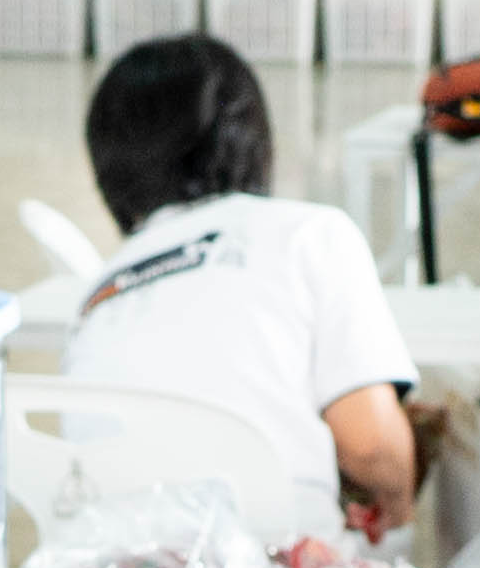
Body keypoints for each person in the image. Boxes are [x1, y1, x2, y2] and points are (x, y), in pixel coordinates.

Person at [56, 30, 419, 541]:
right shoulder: (310, 234)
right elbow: (371, 448)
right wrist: (399, 511)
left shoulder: (99, 296)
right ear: (252, 138)